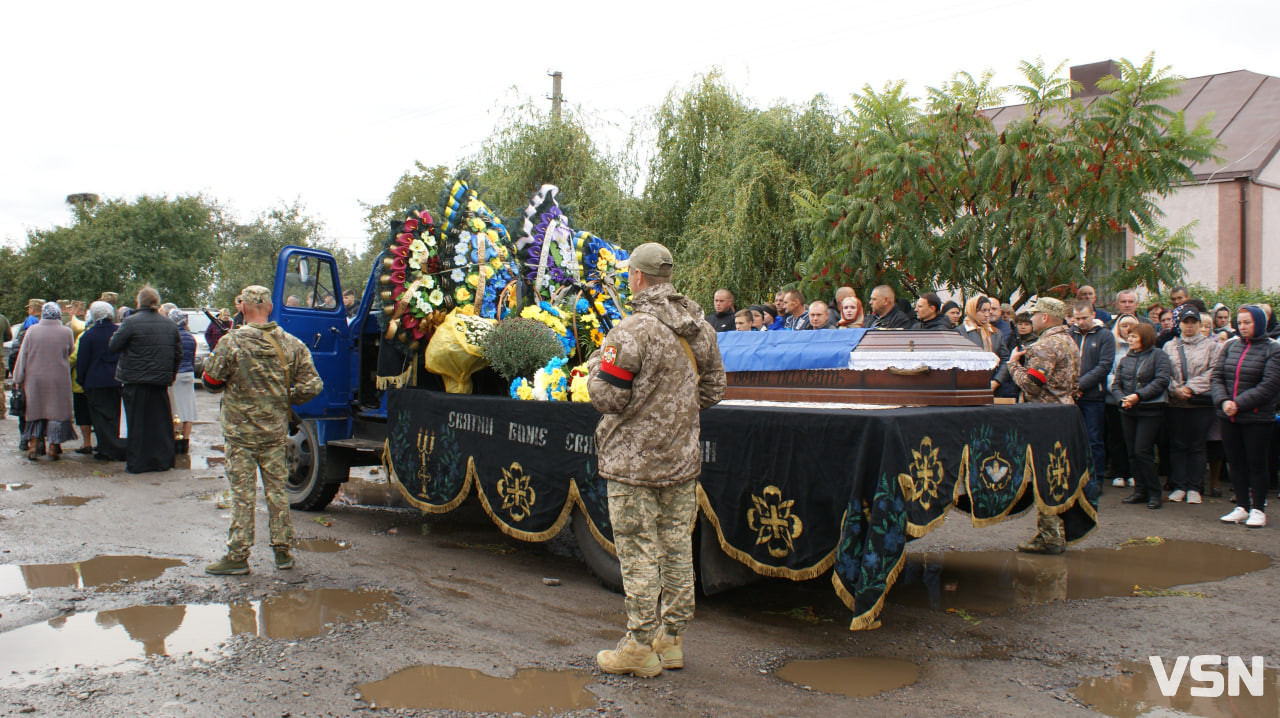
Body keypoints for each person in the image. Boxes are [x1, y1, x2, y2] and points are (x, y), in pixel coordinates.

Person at [587, 243, 725, 678]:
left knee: (638, 550)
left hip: (634, 465)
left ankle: (639, 646)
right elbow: (713, 391)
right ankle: (671, 639)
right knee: (676, 546)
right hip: (682, 460)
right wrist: (675, 416)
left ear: (638, 278)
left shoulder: (631, 331)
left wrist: (594, 367)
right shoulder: (700, 328)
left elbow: (607, 396)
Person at [203, 285, 324, 575]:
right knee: (277, 493)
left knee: (242, 495)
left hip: (239, 435)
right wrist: (284, 397)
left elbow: (210, 382)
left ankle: (237, 557)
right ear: (269, 308)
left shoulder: (230, 342)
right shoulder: (291, 343)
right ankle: (283, 554)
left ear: (243, 308)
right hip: (274, 433)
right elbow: (314, 385)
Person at [1008, 297, 1080, 553]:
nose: (1032, 319)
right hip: (1066, 413)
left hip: (1045, 416)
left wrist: (1013, 365)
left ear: (1046, 317)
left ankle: (1050, 536)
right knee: (1057, 472)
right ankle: (1054, 531)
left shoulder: (1045, 346)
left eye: (1035, 315)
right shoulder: (1069, 341)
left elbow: (1031, 385)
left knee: (1044, 475)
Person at [1212, 306, 1280, 528]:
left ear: (1259, 323)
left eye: (1247, 322)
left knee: (1256, 463)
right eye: (1240, 323)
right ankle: (1242, 506)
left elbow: (1269, 386)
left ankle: (1258, 509)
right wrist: (1223, 402)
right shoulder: (1230, 345)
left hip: (1257, 418)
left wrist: (1238, 404)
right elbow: (1217, 376)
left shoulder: (1273, 349)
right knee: (1236, 462)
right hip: (1228, 416)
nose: (1242, 327)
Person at [109, 286, 182, 473]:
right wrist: (170, 376)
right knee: (160, 424)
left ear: (138, 301)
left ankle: (138, 463)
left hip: (135, 380)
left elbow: (114, 345)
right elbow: (178, 354)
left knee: (137, 424)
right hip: (160, 382)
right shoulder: (170, 325)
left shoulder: (130, 322)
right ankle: (162, 461)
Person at [1162, 307, 1221, 505]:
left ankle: (1195, 487)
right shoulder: (1169, 346)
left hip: (1200, 404)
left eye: (1193, 322)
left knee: (1197, 445)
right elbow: (1164, 372)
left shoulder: (1212, 346)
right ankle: (1179, 485)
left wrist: (1190, 388)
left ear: (1199, 323)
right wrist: (1176, 389)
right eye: (1185, 322)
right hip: (1175, 403)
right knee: (1177, 445)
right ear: (1180, 324)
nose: (1189, 325)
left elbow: (1214, 372)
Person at [1112, 323, 1172, 509]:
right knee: (1132, 453)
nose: (1129, 339)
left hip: (1150, 410)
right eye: (1129, 336)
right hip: (1128, 410)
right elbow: (1116, 384)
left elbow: (1161, 380)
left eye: (1134, 337)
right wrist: (1124, 400)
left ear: (1145, 338)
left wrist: (1138, 396)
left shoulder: (1158, 355)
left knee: (1142, 451)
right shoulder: (1125, 359)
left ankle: (1154, 492)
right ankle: (1140, 491)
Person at [13, 302, 76, 460]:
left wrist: (18, 377)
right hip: (59, 379)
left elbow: (23, 355)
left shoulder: (32, 331)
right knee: (57, 413)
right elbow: (71, 351)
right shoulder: (66, 332)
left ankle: (34, 447)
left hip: (35, 379)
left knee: (36, 411)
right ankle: (53, 449)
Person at [1070, 301, 1115, 495]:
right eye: (1077, 318)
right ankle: (1075, 478)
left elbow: (1104, 366)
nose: (1080, 322)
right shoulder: (1069, 335)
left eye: (1084, 318)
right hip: (1071, 396)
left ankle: (1095, 480)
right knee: (1072, 439)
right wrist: (1072, 386)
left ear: (1093, 315)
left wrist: (1081, 384)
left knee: (1093, 439)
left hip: (1093, 396)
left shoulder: (1105, 335)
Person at [76, 301, 126, 461]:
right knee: (115, 415)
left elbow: (81, 362)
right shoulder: (120, 331)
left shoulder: (88, 335)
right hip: (118, 380)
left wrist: (81, 380)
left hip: (95, 381)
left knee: (99, 417)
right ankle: (114, 445)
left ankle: (107, 448)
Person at [1106, 315, 1140, 488]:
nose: (1127, 329)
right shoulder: (1113, 347)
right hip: (1115, 400)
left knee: (1135, 439)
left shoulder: (1142, 348)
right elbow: (1109, 372)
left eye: (1131, 326)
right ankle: (1119, 472)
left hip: (1137, 400)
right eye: (1123, 325)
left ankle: (1134, 473)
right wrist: (1120, 395)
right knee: (1117, 437)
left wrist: (1134, 395)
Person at [958, 296, 1010, 394]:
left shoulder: (996, 333)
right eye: (983, 311)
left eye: (988, 310)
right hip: (967, 387)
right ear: (973, 310)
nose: (987, 315)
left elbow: (1005, 360)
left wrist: (996, 381)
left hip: (993, 387)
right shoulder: (960, 332)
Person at [168, 309, 198, 454]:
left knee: (176, 409)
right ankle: (185, 442)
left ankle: (176, 440)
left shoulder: (172, 336)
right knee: (188, 409)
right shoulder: (191, 337)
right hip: (189, 373)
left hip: (176, 374)